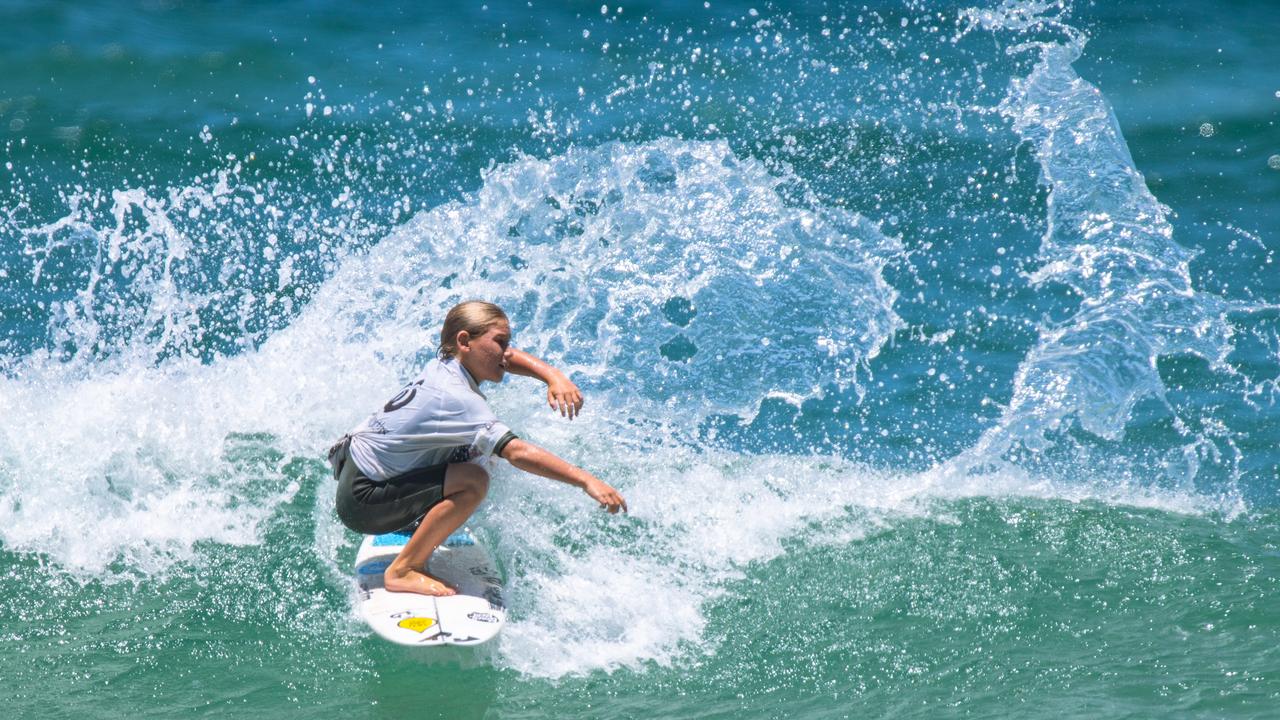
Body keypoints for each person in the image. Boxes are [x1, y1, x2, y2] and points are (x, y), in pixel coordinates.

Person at [329, 300, 627, 597]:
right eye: (499, 342)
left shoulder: (444, 366)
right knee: (475, 478)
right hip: (363, 501)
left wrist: (554, 376)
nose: (506, 353)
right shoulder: (458, 399)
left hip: (354, 467)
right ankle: (404, 569)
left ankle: (420, 523)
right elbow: (517, 453)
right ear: (464, 341)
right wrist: (586, 480)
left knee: (473, 451)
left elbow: (507, 359)